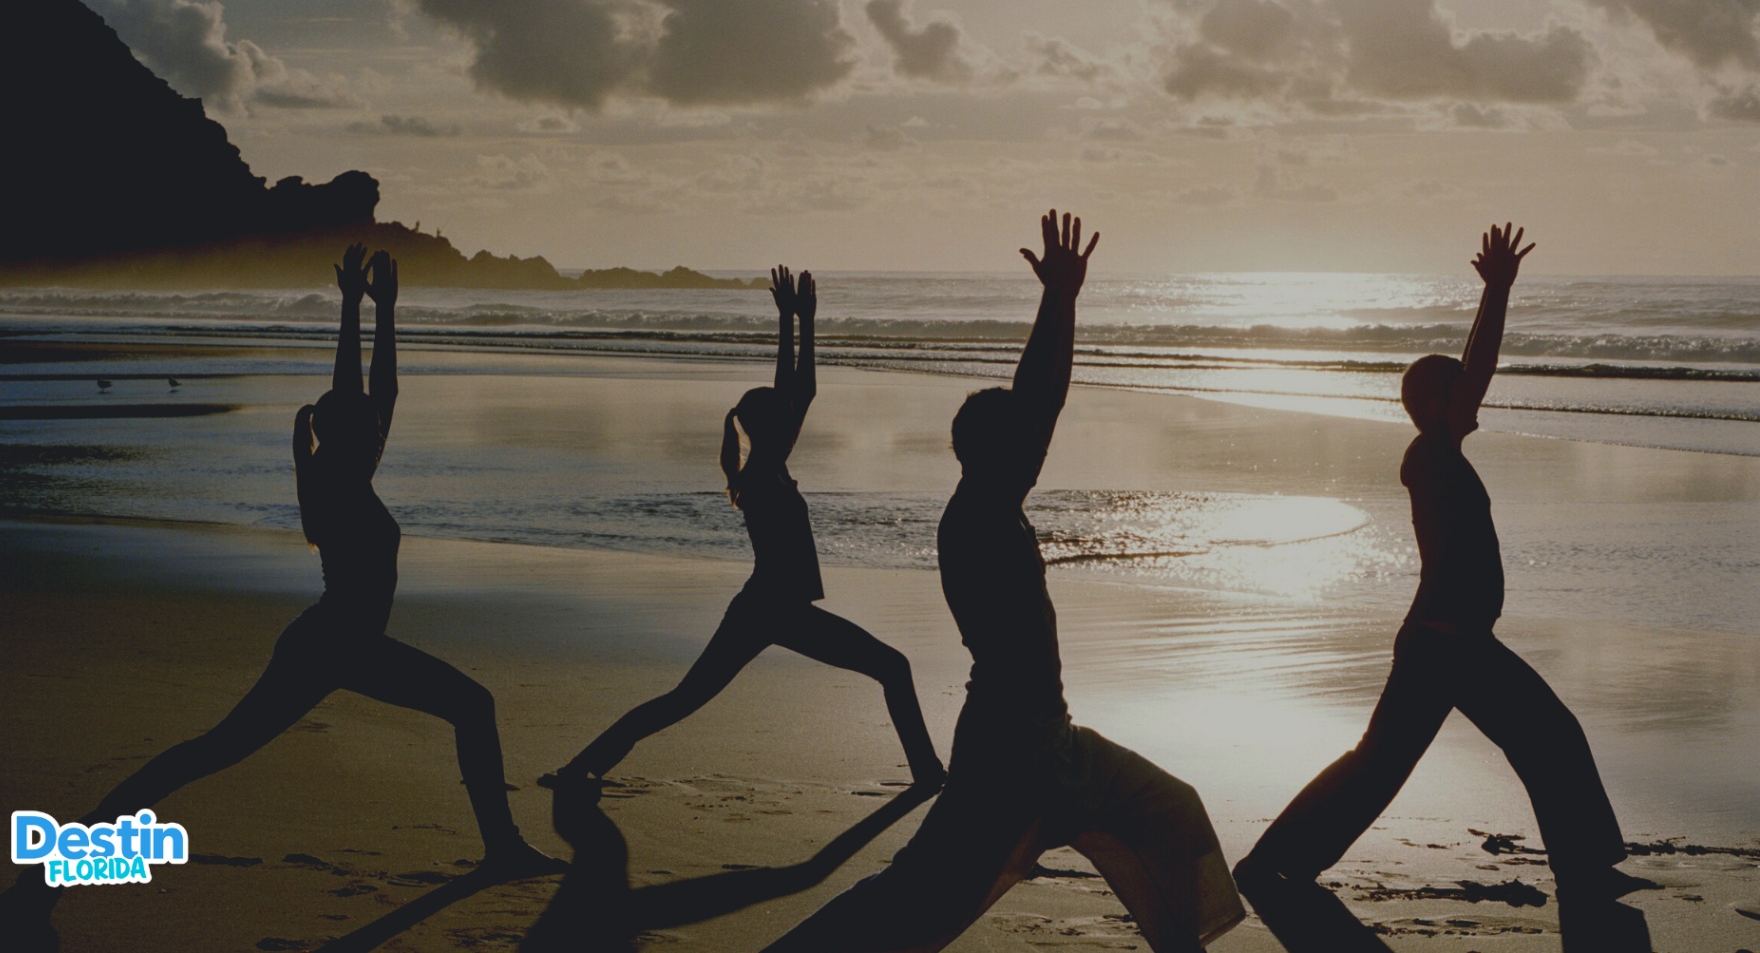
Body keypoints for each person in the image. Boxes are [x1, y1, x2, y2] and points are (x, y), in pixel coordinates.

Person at [0, 245, 560, 950]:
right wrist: (359, 314)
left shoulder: (343, 468)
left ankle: (503, 848)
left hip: (340, 643)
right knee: (213, 752)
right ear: (346, 436)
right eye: (367, 423)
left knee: (443, 710)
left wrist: (371, 311)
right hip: (333, 643)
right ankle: (53, 869)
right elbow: (365, 396)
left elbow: (374, 395)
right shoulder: (334, 481)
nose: (380, 422)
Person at [759, 212, 1244, 953]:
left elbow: (1040, 404)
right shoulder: (980, 515)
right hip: (1010, 753)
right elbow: (1041, 400)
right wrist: (1058, 299)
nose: (1039, 446)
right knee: (919, 897)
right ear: (991, 451)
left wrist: (1065, 301)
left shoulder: (992, 504)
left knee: (1172, 808)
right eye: (1022, 439)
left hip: (1054, 743)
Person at [1233, 224, 1652, 916]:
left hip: (1456, 644)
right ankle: (1271, 863)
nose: (1473, 397)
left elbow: (1472, 377)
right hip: (1442, 645)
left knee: (1534, 739)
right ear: (1436, 404)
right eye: (1458, 392)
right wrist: (1495, 292)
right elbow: (1478, 367)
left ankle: (1587, 869)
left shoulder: (1441, 453)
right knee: (1403, 761)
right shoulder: (1431, 453)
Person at [541, 266, 944, 789]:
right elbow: (800, 389)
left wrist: (797, 322)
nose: (794, 413)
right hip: (772, 611)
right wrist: (798, 323)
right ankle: (930, 775)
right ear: (769, 426)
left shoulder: (769, 465)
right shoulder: (760, 472)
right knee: (889, 668)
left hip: (767, 609)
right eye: (783, 414)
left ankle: (580, 767)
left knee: (684, 700)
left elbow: (800, 391)